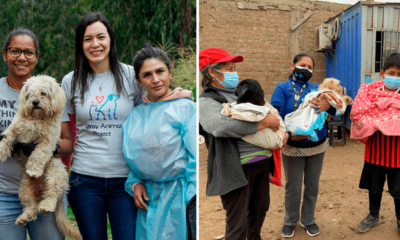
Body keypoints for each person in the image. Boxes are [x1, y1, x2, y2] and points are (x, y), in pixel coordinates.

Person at [61, 13, 142, 239]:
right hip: (84, 180)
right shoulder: (70, 81)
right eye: (88, 39)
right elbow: (65, 138)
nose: (95, 44)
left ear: (110, 40)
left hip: (127, 180)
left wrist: (182, 94)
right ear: (80, 44)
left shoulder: (131, 76)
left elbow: (154, 112)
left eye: (100, 37)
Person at [199, 48, 287, 240]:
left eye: (234, 69)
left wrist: (282, 132)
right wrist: (263, 123)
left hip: (262, 164)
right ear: (213, 72)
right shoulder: (207, 101)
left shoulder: (242, 92)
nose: (234, 73)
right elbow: (220, 126)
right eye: (229, 69)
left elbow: (270, 111)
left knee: (259, 211)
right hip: (235, 169)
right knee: (237, 223)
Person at [0, 28, 73, 239]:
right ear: (4, 54)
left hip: (47, 188)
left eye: (28, 52)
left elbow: (68, 142)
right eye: (15, 51)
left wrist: (51, 149)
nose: (22, 57)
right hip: (3, 193)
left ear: (36, 57)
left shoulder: (53, 95)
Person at [123, 43, 196, 240]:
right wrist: (135, 182)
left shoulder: (186, 109)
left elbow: (195, 158)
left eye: (160, 71)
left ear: (170, 73)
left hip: (180, 197)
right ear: (138, 81)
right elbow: (135, 157)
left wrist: (192, 199)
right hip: (149, 201)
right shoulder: (134, 116)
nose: (155, 80)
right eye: (147, 75)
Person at [271, 53, 336, 238]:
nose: (306, 69)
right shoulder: (282, 88)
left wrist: (327, 107)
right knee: (293, 186)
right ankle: (290, 221)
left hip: (317, 145)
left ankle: (308, 220)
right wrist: (290, 134)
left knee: (312, 185)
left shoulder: (317, 88)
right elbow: (277, 115)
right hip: (292, 146)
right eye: (302, 65)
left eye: (310, 67)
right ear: (293, 66)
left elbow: (336, 108)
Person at [350, 52, 400, 234]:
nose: (395, 77)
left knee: (399, 190)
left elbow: (372, 115)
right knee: (374, 187)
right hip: (375, 152)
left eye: (399, 74)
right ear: (382, 72)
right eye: (391, 73)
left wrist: (380, 119)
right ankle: (373, 216)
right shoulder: (369, 92)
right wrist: (386, 120)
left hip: (398, 155)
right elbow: (358, 113)